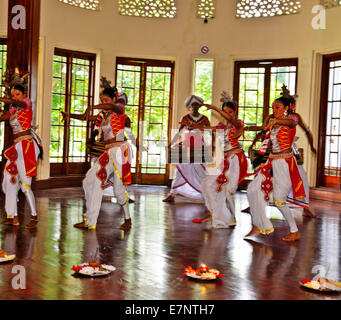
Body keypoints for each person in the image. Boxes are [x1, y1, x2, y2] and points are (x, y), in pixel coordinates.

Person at [245, 90, 307, 242]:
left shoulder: (291, 118)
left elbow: (291, 123)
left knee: (280, 199)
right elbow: (262, 128)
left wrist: (277, 121)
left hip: (284, 163)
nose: (274, 110)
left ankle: (294, 231)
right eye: (273, 108)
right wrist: (246, 129)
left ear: (286, 108)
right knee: (252, 189)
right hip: (271, 161)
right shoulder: (273, 121)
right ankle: (259, 224)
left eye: (278, 107)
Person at [70, 84, 132, 230]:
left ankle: (127, 220)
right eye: (101, 100)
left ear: (114, 99)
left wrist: (92, 106)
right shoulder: (103, 116)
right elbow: (85, 117)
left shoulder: (119, 110)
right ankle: (90, 220)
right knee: (89, 181)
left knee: (118, 190)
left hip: (120, 151)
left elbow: (113, 107)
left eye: (106, 100)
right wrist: (68, 115)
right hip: (107, 151)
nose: (104, 103)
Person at [197, 92, 248, 228]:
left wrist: (215, 108)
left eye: (230, 112)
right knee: (207, 184)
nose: (227, 115)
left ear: (235, 113)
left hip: (235, 160)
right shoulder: (222, 126)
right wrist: (194, 127)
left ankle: (230, 218)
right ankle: (216, 213)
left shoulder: (238, 124)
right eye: (225, 112)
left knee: (227, 191)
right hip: (224, 160)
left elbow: (232, 121)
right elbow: (207, 129)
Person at [0, 84, 42, 229]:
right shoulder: (13, 109)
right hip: (16, 147)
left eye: (17, 94)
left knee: (25, 185)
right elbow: (4, 116)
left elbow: (19, 103)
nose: (14, 97)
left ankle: (34, 217)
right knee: (8, 180)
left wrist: (4, 99)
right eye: (13, 95)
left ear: (23, 94)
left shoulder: (27, 103)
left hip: (27, 146)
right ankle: (13, 217)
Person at [163, 95, 211, 203]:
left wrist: (211, 145)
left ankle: (207, 193)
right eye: (193, 105)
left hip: (199, 143)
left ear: (199, 106)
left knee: (200, 170)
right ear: (190, 106)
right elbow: (179, 132)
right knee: (180, 169)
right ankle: (172, 193)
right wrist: (171, 143)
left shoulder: (204, 119)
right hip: (187, 142)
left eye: (197, 105)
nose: (195, 107)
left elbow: (209, 132)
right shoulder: (185, 118)